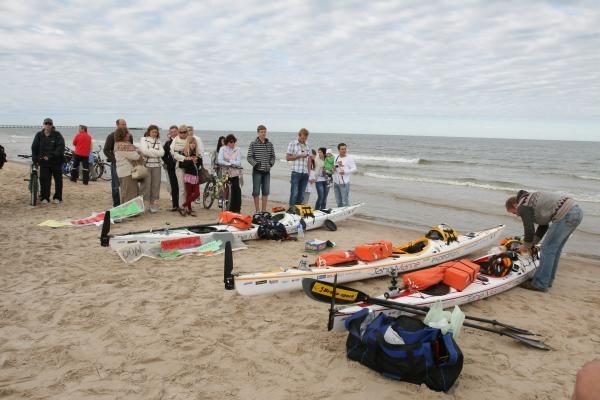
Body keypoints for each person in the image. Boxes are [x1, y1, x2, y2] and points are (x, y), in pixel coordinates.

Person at [505, 190, 583, 292]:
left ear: (515, 205)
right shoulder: (529, 201)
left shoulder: (523, 206)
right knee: (554, 250)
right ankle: (547, 281)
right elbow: (543, 225)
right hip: (576, 212)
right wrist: (533, 243)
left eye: (514, 212)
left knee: (547, 249)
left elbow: (529, 229)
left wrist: (525, 246)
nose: (516, 215)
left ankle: (540, 284)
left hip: (566, 214)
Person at [31, 118, 65, 204]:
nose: (48, 125)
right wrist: (35, 160)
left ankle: (57, 197)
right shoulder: (39, 135)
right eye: (46, 123)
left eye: (49, 124)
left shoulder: (57, 135)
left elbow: (60, 148)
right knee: (44, 180)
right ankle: (45, 197)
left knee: (58, 181)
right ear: (43, 124)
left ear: (52, 125)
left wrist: (51, 156)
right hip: (43, 162)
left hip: (56, 162)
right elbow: (34, 148)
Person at [247, 125, 276, 213]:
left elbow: (273, 156)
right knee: (256, 192)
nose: (263, 134)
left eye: (264, 132)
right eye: (262, 132)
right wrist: (256, 164)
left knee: (265, 191)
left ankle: (263, 211)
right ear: (258, 133)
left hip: (267, 172)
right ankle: (257, 210)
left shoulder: (269, 144)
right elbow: (249, 157)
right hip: (257, 171)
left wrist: (270, 163)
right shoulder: (253, 144)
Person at [104, 119, 132, 206]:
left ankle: (127, 203)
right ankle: (116, 204)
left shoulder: (129, 136)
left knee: (127, 185)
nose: (124, 126)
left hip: (127, 164)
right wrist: (115, 160)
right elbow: (106, 150)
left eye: (125, 124)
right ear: (117, 125)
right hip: (116, 164)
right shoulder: (111, 136)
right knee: (116, 185)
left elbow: (132, 148)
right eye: (122, 124)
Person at [139, 124, 164, 213]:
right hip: (147, 166)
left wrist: (151, 150)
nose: (154, 133)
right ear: (149, 131)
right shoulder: (143, 139)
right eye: (153, 132)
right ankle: (142, 205)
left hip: (157, 166)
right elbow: (144, 151)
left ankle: (152, 204)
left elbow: (162, 153)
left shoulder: (158, 141)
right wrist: (155, 152)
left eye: (156, 132)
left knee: (155, 186)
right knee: (145, 185)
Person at [114, 127, 141, 204]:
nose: (129, 135)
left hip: (122, 172)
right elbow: (136, 156)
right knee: (130, 192)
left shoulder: (117, 144)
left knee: (125, 191)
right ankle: (130, 211)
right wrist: (138, 151)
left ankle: (128, 210)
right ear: (123, 135)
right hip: (127, 172)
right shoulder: (124, 146)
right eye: (127, 133)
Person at [285, 128, 311, 206]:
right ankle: (291, 210)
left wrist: (309, 172)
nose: (304, 140)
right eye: (303, 138)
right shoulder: (292, 144)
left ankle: (298, 211)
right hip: (296, 172)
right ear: (299, 136)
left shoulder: (308, 145)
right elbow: (287, 158)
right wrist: (299, 155)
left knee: (301, 195)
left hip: (305, 173)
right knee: (294, 193)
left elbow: (309, 159)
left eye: (306, 138)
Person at [218, 134, 243, 213]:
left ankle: (237, 209)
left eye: (234, 142)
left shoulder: (238, 149)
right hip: (225, 172)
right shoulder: (222, 149)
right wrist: (229, 164)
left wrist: (230, 161)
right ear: (227, 142)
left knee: (237, 190)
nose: (233, 144)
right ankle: (225, 205)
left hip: (235, 172)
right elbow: (220, 160)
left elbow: (238, 162)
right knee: (225, 189)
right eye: (231, 142)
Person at [180, 135, 202, 217]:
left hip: (196, 176)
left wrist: (198, 160)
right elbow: (181, 165)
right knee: (189, 194)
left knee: (197, 193)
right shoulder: (184, 153)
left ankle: (183, 205)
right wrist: (190, 160)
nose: (193, 145)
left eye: (194, 143)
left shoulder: (197, 153)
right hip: (188, 175)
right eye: (191, 143)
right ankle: (189, 209)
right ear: (188, 144)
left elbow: (200, 165)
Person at [170, 125, 189, 212]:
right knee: (181, 187)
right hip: (179, 166)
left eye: (184, 132)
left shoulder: (190, 139)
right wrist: (184, 157)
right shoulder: (175, 140)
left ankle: (188, 205)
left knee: (188, 187)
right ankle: (181, 206)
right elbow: (173, 152)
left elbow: (196, 150)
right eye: (181, 132)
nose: (182, 134)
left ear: (187, 132)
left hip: (189, 167)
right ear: (179, 132)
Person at [333, 143, 357, 207]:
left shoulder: (349, 158)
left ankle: (347, 213)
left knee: (345, 201)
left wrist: (345, 172)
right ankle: (340, 215)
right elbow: (335, 167)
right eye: (342, 149)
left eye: (345, 149)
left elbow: (354, 168)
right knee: (338, 201)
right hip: (336, 182)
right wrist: (333, 169)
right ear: (339, 150)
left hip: (344, 183)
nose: (344, 150)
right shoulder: (336, 157)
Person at [162, 125, 180, 211]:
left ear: (178, 132)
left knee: (182, 187)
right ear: (169, 133)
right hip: (171, 168)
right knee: (174, 186)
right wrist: (169, 163)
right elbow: (163, 156)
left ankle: (183, 204)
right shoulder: (167, 143)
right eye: (171, 132)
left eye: (175, 131)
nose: (173, 133)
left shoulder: (183, 141)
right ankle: (175, 205)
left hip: (182, 167)